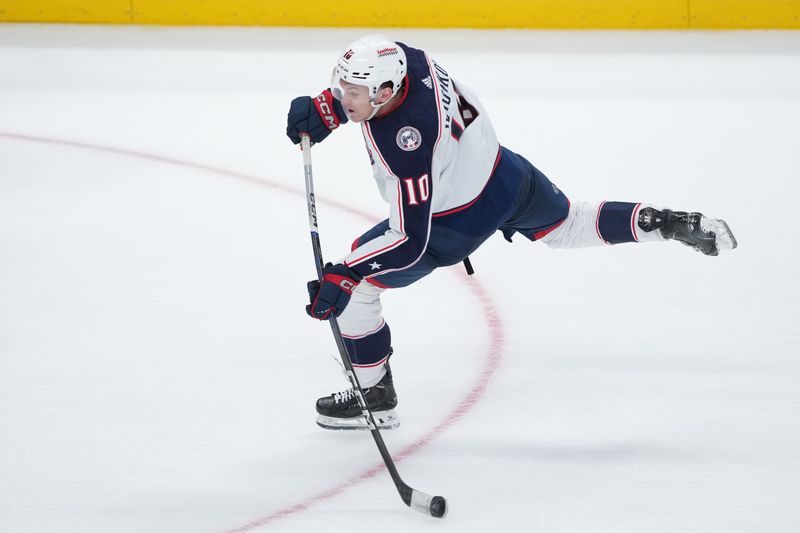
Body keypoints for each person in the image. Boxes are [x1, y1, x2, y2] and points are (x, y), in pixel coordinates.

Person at [285, 34, 737, 430]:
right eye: (342, 84)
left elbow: (411, 240)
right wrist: (329, 108)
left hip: (452, 221)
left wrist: (346, 272)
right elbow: (373, 85)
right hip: (503, 174)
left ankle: (373, 399)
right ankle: (665, 223)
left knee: (356, 288)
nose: (344, 95)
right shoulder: (406, 58)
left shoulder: (407, 145)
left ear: (386, 91)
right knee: (568, 223)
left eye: (354, 91)